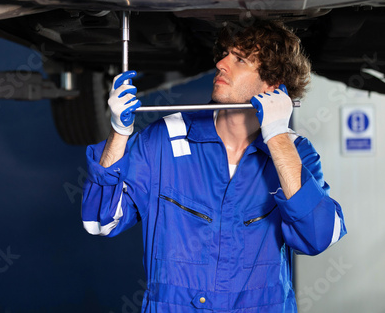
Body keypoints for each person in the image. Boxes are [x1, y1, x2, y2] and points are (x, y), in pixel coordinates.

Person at [81, 20, 346, 312]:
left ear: (273, 86)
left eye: (240, 59)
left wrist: (276, 137)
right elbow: (99, 221)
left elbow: (317, 238)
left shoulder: (295, 151)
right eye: (224, 54)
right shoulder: (165, 139)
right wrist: (119, 131)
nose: (221, 63)